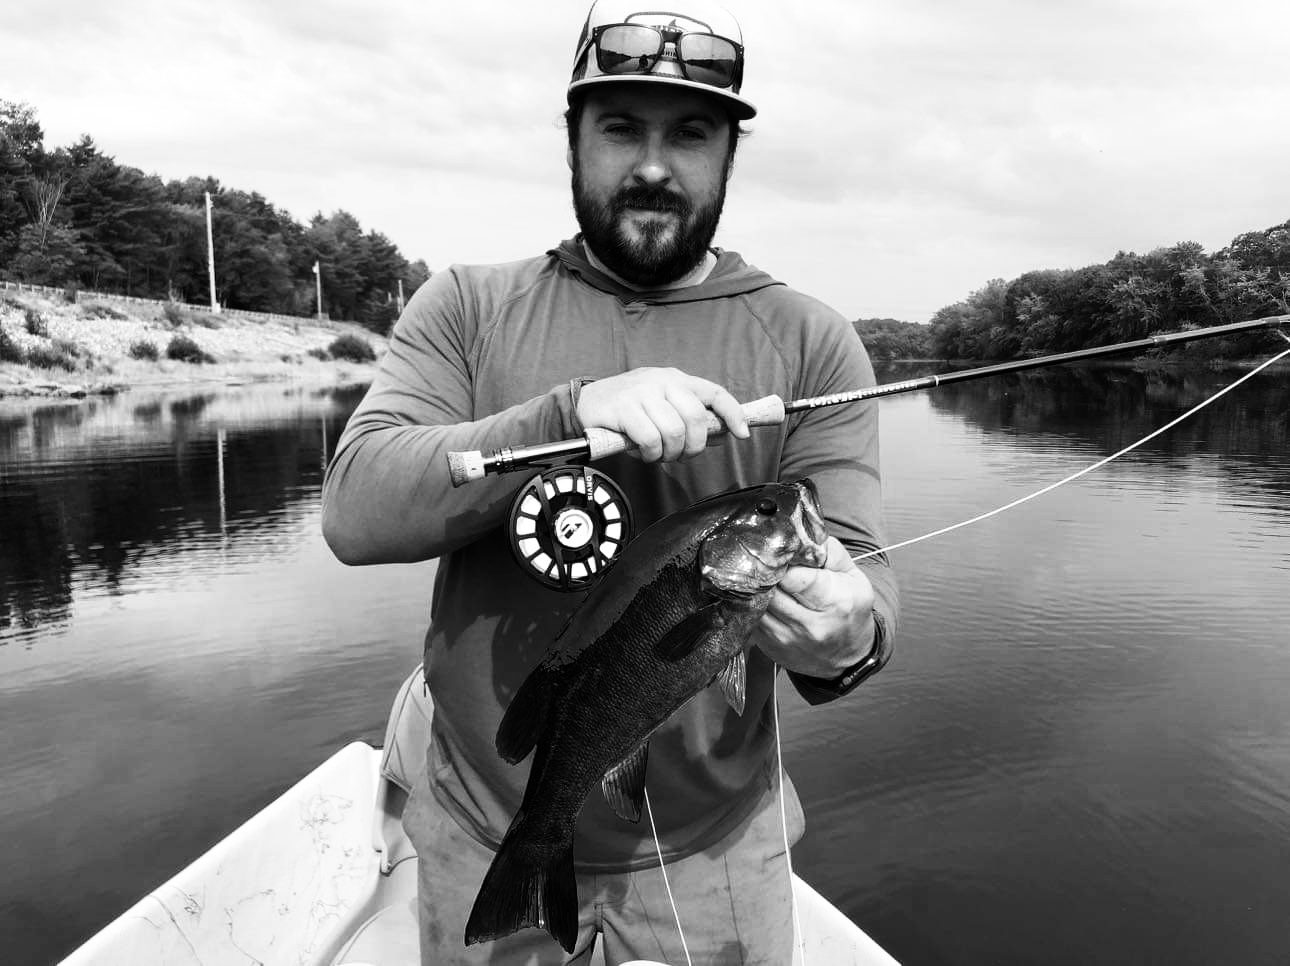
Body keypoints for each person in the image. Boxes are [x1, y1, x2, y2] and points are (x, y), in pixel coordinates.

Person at [321, 2, 899, 963]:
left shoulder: (812, 342)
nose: (654, 166)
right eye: (621, 126)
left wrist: (848, 633)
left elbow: (867, 583)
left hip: (717, 848)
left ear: (728, 154)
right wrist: (564, 418)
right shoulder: (467, 308)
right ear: (573, 140)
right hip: (480, 821)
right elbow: (355, 509)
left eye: (691, 133)